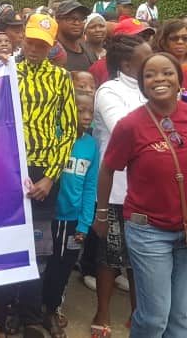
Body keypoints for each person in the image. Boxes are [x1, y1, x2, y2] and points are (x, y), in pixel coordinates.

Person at [93, 52, 187, 338]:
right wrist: (101, 214)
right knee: (154, 317)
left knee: (181, 317)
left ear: (179, 80)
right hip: (149, 232)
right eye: (150, 75)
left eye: (167, 73)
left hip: (185, 231)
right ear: (142, 83)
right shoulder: (131, 125)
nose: (159, 79)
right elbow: (107, 169)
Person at [0, 12, 77, 338]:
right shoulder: (6, 71)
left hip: (43, 170)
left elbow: (68, 130)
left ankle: (30, 314)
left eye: (41, 44)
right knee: (7, 240)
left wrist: (50, 177)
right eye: (30, 41)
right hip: (8, 168)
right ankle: (4, 311)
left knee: (37, 245)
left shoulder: (61, 78)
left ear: (51, 45)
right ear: (22, 39)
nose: (33, 48)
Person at [89, 34, 152, 336]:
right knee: (110, 257)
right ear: (127, 64)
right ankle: (102, 312)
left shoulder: (149, 90)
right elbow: (121, 129)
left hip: (147, 190)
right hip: (114, 189)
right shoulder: (109, 90)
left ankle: (137, 314)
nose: (152, 61)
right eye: (146, 57)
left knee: (140, 259)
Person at [42, 92, 99, 334]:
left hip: (72, 220)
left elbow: (90, 187)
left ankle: (51, 310)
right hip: (47, 216)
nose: (86, 116)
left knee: (63, 267)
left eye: (90, 112)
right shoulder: (52, 136)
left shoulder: (91, 145)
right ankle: (29, 310)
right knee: (43, 265)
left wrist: (84, 224)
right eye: (80, 110)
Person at [88, 18, 155, 87]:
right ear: (119, 42)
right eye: (135, 38)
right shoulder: (99, 68)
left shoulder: (152, 65)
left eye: (145, 37)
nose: (142, 41)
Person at [55, 0, 96, 71]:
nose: (77, 23)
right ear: (58, 20)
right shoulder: (51, 52)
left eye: (81, 19)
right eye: (71, 19)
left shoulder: (89, 50)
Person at [154, 19, 187, 88]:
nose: (180, 42)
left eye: (185, 38)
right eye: (174, 38)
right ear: (164, 42)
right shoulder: (155, 65)